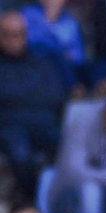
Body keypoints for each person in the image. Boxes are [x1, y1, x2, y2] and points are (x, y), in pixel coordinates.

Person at [0, 8, 66, 200]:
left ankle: (56, 207)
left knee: (68, 147)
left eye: (20, 34)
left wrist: (15, 95)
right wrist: (30, 92)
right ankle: (27, 204)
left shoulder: (42, 62)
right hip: (9, 126)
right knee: (21, 155)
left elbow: (55, 95)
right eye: (8, 35)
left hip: (44, 123)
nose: (15, 40)